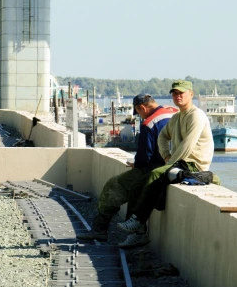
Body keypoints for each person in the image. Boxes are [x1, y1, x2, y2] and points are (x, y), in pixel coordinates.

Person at [116, 80, 220, 249]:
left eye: (181, 93)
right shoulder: (177, 117)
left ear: (191, 94)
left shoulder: (196, 115)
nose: (177, 96)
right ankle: (138, 233)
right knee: (137, 186)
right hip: (178, 163)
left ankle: (137, 220)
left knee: (156, 174)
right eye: (174, 93)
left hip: (193, 165)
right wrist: (166, 156)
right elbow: (162, 137)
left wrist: (170, 164)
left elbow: (188, 145)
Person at [77, 94, 176, 241]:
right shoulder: (174, 114)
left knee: (114, 185)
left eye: (139, 113)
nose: (140, 116)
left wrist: (135, 164)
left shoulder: (149, 123)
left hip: (155, 168)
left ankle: (101, 229)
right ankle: (136, 229)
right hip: (176, 166)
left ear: (142, 107)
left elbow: (144, 157)